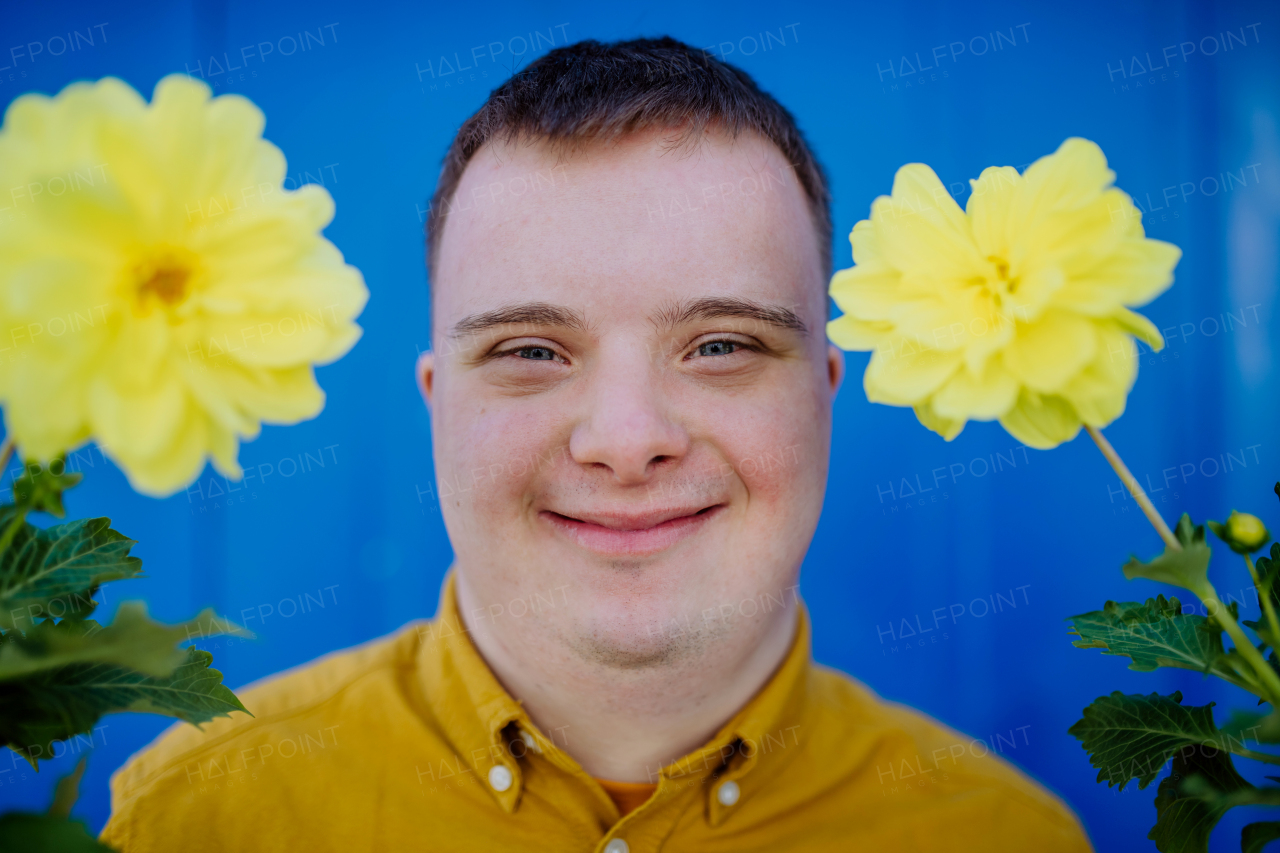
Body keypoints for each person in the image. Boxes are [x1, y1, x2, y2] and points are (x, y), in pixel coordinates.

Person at [100, 37, 1092, 852]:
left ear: (823, 397)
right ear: (436, 406)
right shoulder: (194, 817)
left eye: (719, 345)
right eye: (531, 349)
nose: (625, 442)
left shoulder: (1008, 836)